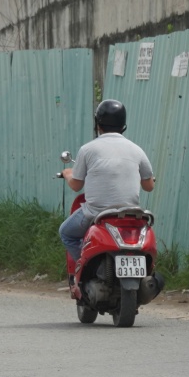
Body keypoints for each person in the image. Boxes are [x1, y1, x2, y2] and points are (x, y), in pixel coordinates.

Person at [59, 99, 155, 266]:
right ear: (123, 125)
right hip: (130, 214)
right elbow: (149, 186)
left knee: (66, 233)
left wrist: (68, 174)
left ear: (98, 124)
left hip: (95, 213)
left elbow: (76, 185)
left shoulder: (87, 149)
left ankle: (85, 265)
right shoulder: (137, 149)